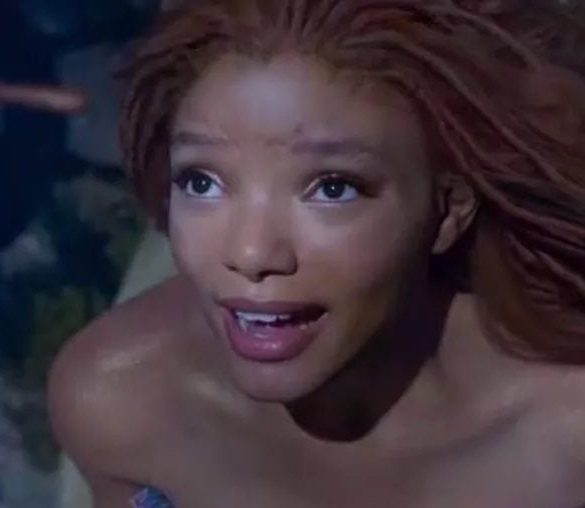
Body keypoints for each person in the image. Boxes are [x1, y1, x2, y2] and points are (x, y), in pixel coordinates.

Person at [48, 0, 585, 506]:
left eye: (332, 188)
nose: (251, 252)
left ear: (448, 209)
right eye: (201, 182)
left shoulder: (565, 433)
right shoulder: (119, 400)